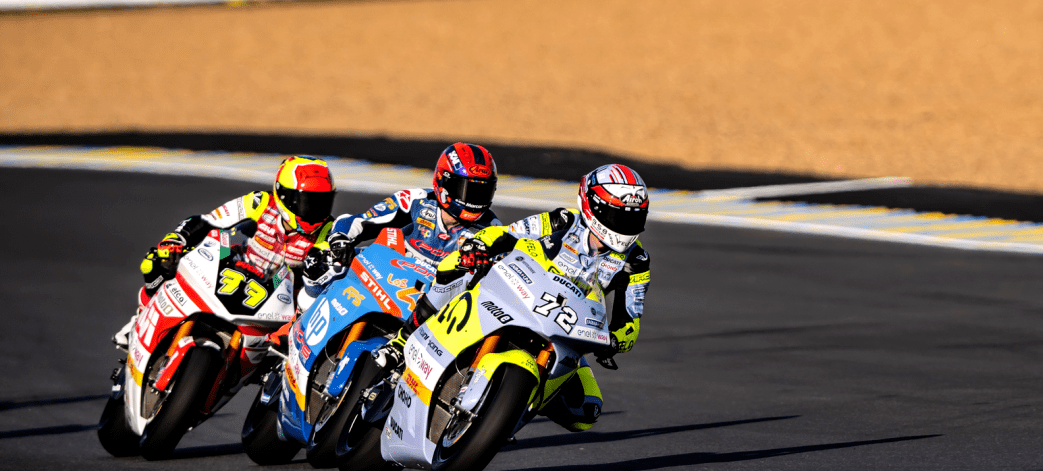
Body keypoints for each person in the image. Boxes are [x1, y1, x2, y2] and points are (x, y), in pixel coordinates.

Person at [376, 164, 652, 433]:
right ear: (593, 206)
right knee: (455, 266)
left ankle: (507, 411)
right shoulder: (563, 221)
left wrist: (614, 341)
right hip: (516, 296)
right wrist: (480, 244)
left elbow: (630, 320)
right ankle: (402, 341)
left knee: (586, 411)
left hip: (563, 326)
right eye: (619, 216)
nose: (627, 225)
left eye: (635, 217)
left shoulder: (636, 261)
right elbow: (508, 233)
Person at [112, 155, 339, 349]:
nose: (316, 211)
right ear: (284, 196)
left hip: (277, 304)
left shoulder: (330, 232)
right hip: (231, 271)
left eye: (323, 203)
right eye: (309, 202)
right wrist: (176, 240)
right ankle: (140, 319)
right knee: (157, 261)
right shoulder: (260, 202)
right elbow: (208, 221)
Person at [324, 142, 501, 270]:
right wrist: (340, 239)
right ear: (443, 182)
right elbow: (357, 222)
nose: (475, 199)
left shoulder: (492, 228)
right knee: (327, 266)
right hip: (386, 278)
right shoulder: (415, 200)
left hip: (438, 300)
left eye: (482, 191)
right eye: (467, 190)